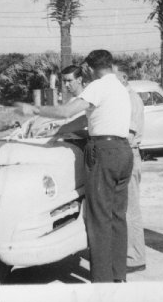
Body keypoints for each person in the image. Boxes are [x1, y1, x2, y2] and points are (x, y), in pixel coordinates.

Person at [16, 49, 133, 283]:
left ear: (89, 68)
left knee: (98, 218)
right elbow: (88, 118)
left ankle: (102, 282)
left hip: (103, 151)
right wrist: (58, 130)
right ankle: (118, 276)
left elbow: (67, 111)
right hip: (123, 151)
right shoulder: (119, 87)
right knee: (117, 217)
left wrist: (36, 110)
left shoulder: (98, 86)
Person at [113, 59, 146, 274]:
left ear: (124, 78)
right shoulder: (120, 98)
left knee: (131, 210)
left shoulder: (131, 99)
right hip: (123, 154)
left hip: (129, 154)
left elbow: (128, 134)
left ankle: (135, 258)